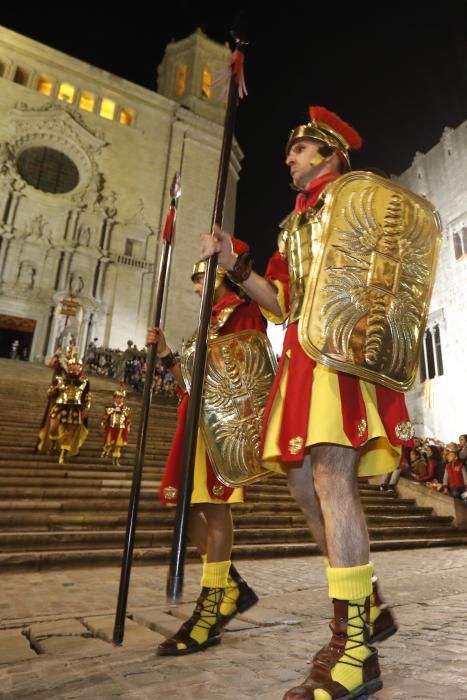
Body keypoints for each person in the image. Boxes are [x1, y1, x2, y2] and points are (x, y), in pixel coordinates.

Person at [201, 106, 418, 699]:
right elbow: (279, 302)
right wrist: (232, 265)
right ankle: (365, 603)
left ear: (327, 153)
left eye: (298, 150)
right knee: (303, 487)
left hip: (339, 354)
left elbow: (387, 272)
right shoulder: (292, 226)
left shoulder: (356, 200)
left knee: (330, 479)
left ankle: (354, 647)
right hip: (302, 354)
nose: (288, 158)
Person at [146, 244, 266, 657]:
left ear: (218, 276)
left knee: (214, 509)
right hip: (191, 417)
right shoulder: (205, 323)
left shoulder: (243, 313)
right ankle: (230, 586)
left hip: (220, 424)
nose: (196, 289)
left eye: (200, 280)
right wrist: (164, 353)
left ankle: (212, 604)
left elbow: (249, 373)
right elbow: (187, 382)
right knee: (182, 509)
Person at [36, 344, 91, 464]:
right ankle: (54, 444)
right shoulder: (62, 378)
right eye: (72, 364)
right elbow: (51, 391)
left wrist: (86, 408)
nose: (74, 367)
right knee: (53, 428)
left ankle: (62, 455)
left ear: (80, 367)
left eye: (76, 365)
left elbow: (88, 396)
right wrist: (55, 388)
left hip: (76, 408)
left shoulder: (84, 381)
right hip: (61, 406)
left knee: (70, 433)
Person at [100, 385, 131, 466]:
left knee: (118, 445)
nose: (119, 399)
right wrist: (103, 421)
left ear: (123, 399)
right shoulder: (110, 408)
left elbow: (128, 419)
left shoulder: (126, 409)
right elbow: (105, 416)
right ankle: (105, 451)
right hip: (111, 428)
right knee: (108, 443)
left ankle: (115, 459)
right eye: (117, 397)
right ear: (114, 398)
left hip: (121, 429)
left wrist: (128, 424)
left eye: (121, 398)